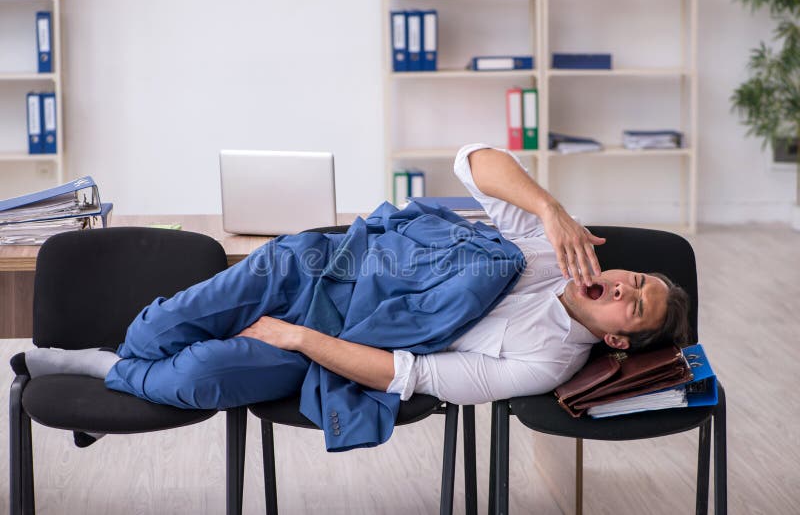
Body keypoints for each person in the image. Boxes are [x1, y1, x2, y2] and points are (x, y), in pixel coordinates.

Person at [17, 143, 690, 437]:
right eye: (637, 278)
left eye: (637, 302)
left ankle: (99, 368)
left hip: (339, 339)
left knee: (202, 377)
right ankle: (120, 362)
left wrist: (297, 337)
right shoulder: (549, 244)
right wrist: (548, 209)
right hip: (322, 266)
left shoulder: (546, 359)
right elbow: (472, 159)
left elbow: (412, 372)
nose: (627, 282)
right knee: (152, 333)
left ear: (614, 337)